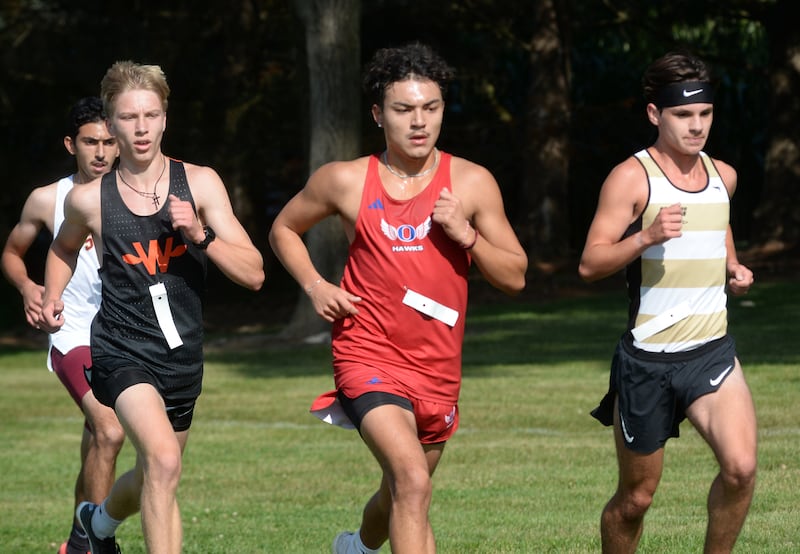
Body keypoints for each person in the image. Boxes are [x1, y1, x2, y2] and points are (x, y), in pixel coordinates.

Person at [269, 42, 527, 554]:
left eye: (430, 108)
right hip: (368, 353)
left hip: (438, 366)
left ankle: (356, 548)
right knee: (412, 481)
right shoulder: (344, 180)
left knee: (399, 492)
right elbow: (283, 229)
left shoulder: (471, 183)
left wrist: (467, 235)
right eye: (404, 109)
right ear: (377, 114)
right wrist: (316, 285)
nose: (419, 122)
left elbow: (516, 276)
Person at [39, 61, 265, 554]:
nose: (140, 128)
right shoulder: (89, 200)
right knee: (163, 462)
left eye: (150, 115)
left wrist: (200, 235)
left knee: (151, 474)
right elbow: (61, 248)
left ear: (165, 118)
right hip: (121, 351)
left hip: (182, 357)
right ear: (111, 124)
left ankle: (94, 524)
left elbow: (254, 273)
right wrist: (51, 295)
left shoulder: (201, 185)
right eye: (127, 117)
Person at [578, 51, 757, 553]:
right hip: (648, 361)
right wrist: (646, 236)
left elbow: (717, 221)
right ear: (656, 114)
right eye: (683, 115)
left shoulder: (725, 174)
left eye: (705, 114)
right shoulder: (632, 178)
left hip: (711, 352)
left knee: (740, 469)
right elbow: (590, 264)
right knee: (636, 499)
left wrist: (732, 268)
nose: (696, 126)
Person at [1, 97, 125, 554]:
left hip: (124, 336)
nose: (101, 153)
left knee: (98, 441)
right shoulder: (48, 199)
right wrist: (28, 288)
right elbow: (12, 254)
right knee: (110, 430)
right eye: (91, 142)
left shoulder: (134, 194)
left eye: (109, 142)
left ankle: (78, 541)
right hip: (72, 334)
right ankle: (96, 542)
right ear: (71, 144)